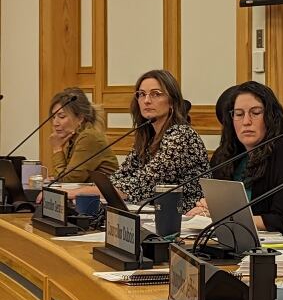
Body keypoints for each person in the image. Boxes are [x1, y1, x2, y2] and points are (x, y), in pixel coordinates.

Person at [186, 81, 283, 235]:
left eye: (255, 112)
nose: (246, 121)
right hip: (236, 239)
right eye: (239, 114)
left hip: (282, 249)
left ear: (270, 116)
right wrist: (206, 210)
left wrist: (225, 217)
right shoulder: (226, 154)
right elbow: (221, 207)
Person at [71, 70, 209, 211]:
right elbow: (121, 176)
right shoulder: (148, 136)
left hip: (185, 219)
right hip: (154, 215)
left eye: (156, 94)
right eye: (142, 94)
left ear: (172, 102)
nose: (147, 100)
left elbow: (140, 184)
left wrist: (77, 193)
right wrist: (89, 191)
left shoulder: (181, 136)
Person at [48, 88, 118, 182]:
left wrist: (57, 149)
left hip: (102, 196)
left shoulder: (89, 137)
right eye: (53, 117)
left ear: (80, 118)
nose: (55, 123)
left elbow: (67, 181)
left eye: (61, 116)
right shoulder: (74, 138)